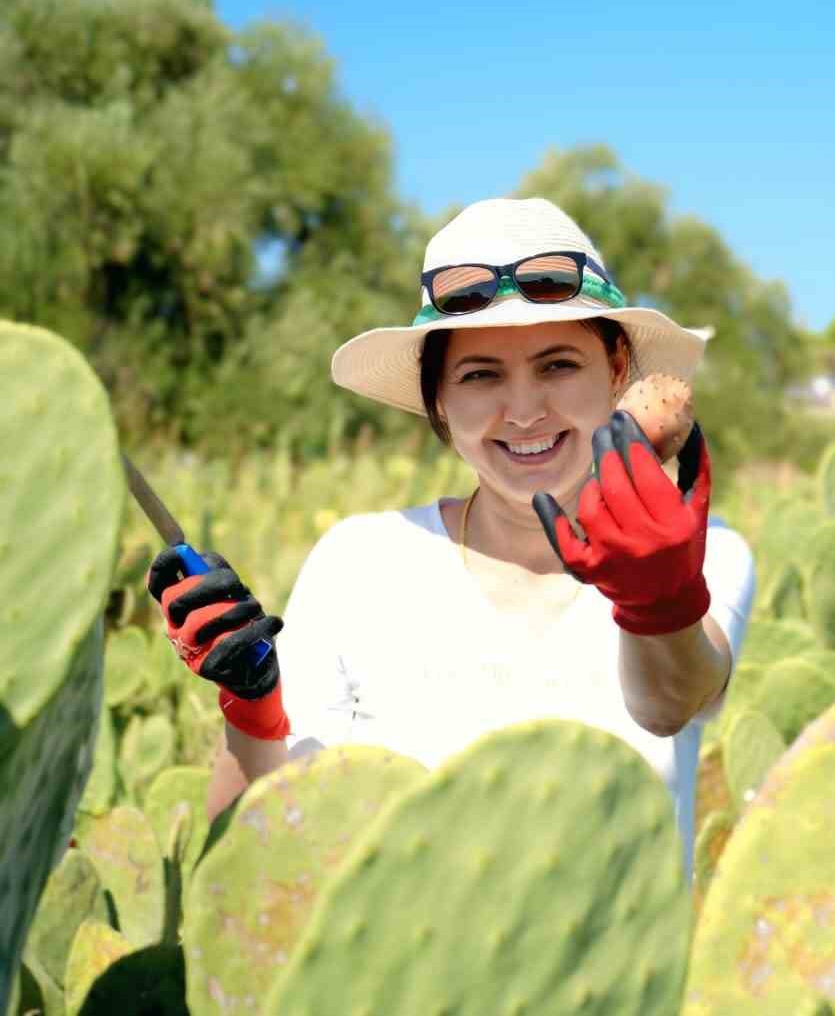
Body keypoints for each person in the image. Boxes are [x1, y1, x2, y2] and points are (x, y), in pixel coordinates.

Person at [145, 197, 756, 873]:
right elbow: (254, 863)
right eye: (480, 374)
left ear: (615, 369)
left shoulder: (703, 554)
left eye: (557, 365)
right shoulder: (360, 563)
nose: (523, 410)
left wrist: (659, 600)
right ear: (438, 395)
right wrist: (253, 706)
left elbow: (672, 702)